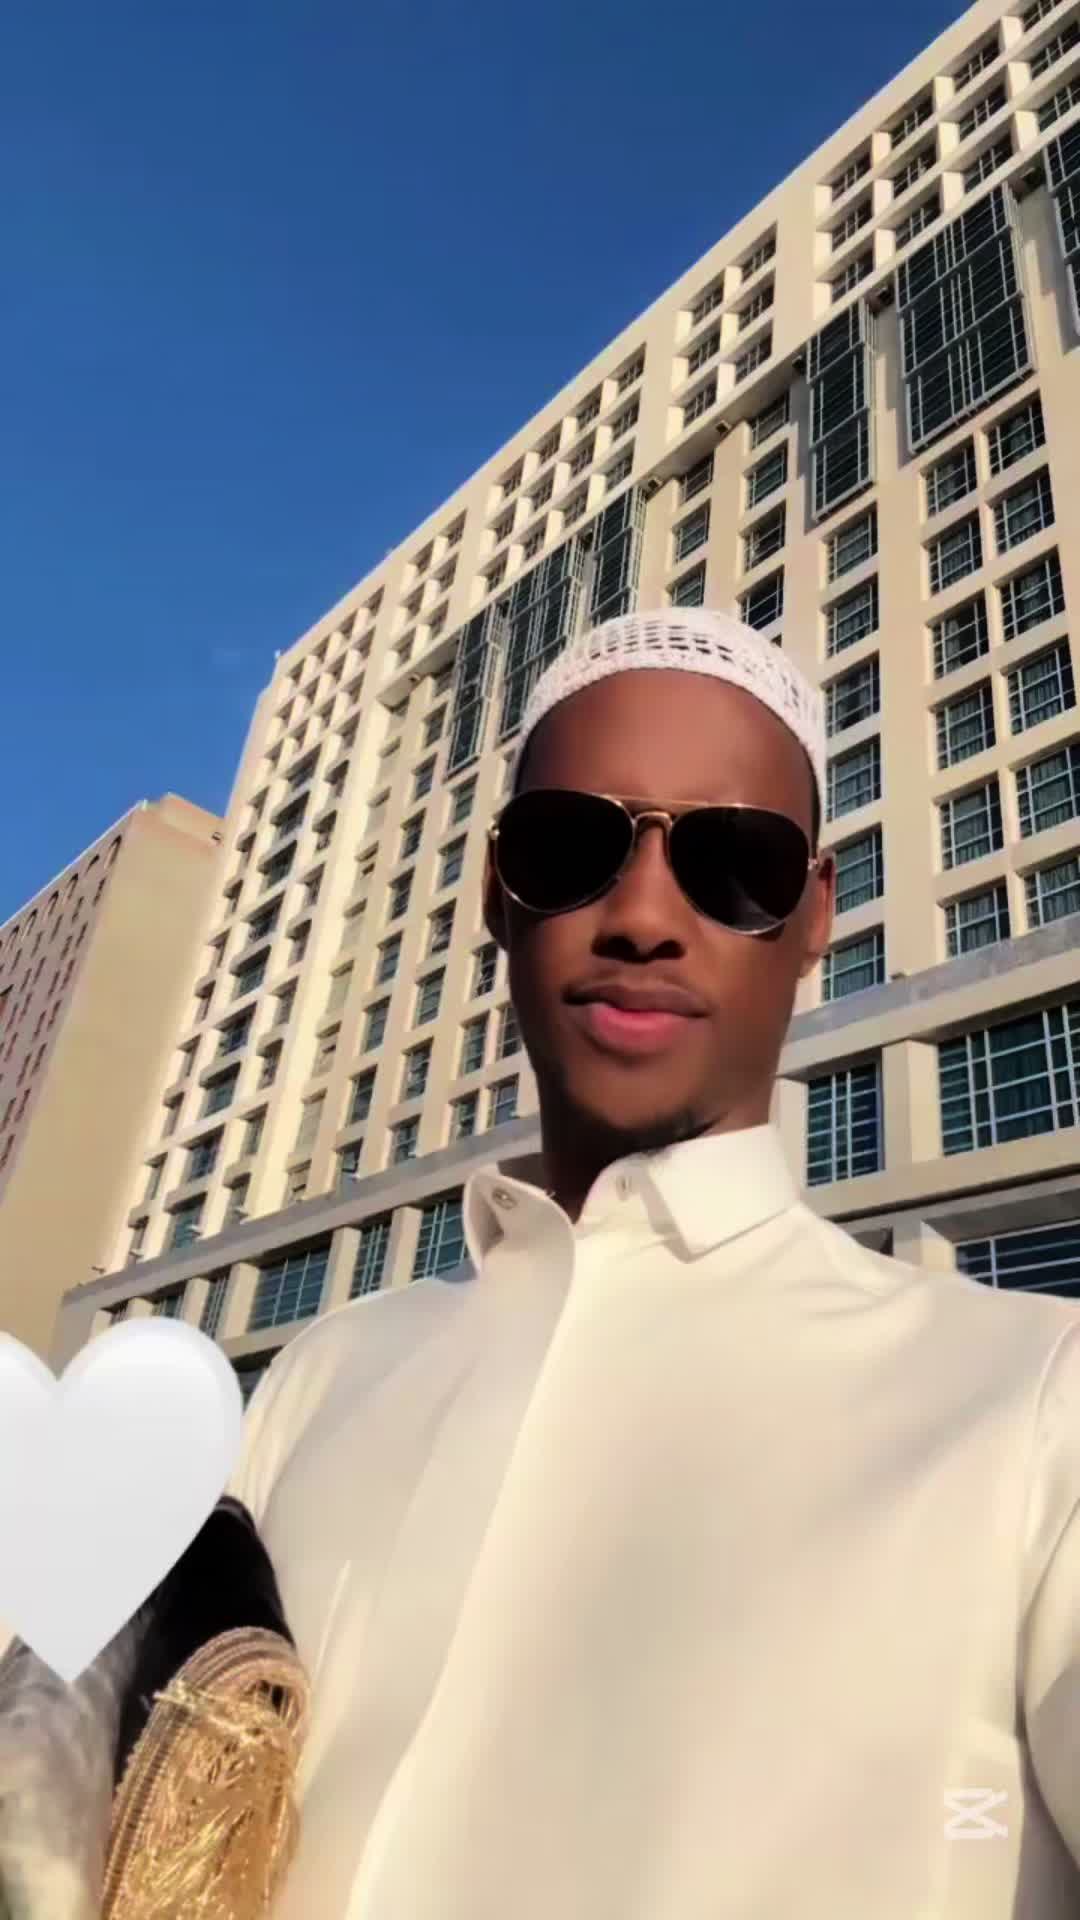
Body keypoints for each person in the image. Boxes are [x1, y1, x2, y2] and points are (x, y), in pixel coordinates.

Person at [4, 606, 1080, 1919]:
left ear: (812, 915)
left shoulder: (1037, 1403)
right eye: (574, 845)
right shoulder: (326, 1376)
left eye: (733, 862)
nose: (644, 915)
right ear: (495, 895)